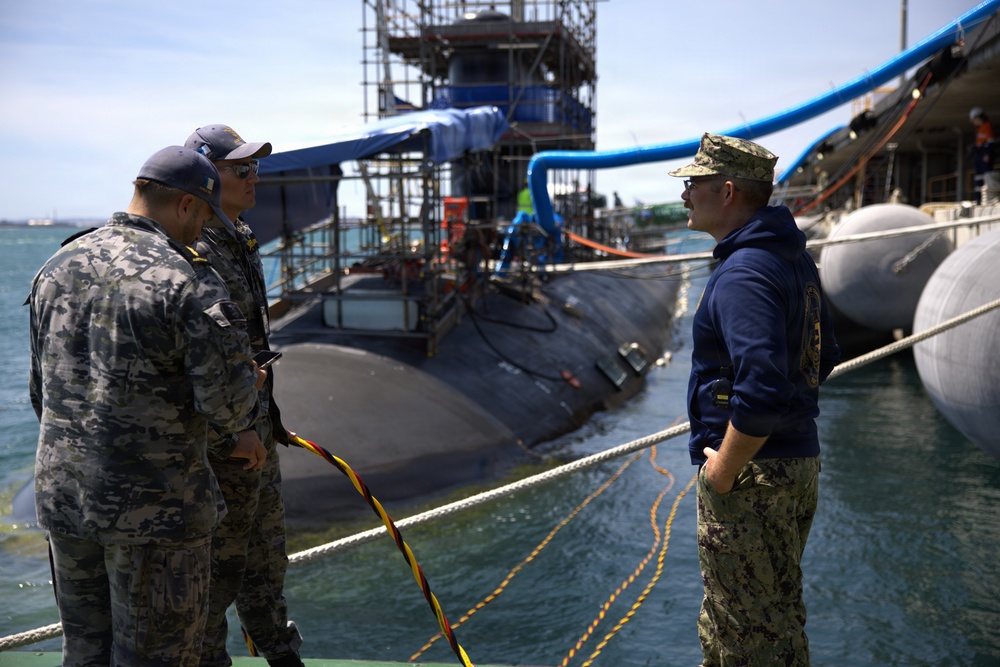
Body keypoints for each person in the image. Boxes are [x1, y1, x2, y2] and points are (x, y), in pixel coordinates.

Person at [29, 146, 265, 666]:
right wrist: (250, 378)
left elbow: (40, 395)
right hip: (157, 513)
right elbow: (228, 409)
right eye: (203, 216)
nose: (202, 231)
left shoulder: (58, 266)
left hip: (66, 501)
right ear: (185, 204)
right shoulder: (189, 279)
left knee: (83, 652)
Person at [669, 133, 840, 667]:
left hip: (751, 476)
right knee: (766, 620)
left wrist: (723, 470)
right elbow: (824, 356)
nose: (684, 195)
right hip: (796, 463)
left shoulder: (743, 272)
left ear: (726, 192)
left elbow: (762, 389)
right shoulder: (791, 259)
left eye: (693, 183)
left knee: (748, 638)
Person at [184, 124, 304, 667]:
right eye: (241, 169)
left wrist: (264, 418)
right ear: (206, 176)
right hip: (224, 438)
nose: (254, 177)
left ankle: (279, 649)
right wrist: (229, 432)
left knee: (267, 553)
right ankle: (210, 657)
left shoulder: (241, 235)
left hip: (256, 421)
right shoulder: (193, 246)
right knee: (218, 568)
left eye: (255, 167)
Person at [969, 106, 995, 201]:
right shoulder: (979, 129)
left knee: (987, 175)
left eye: (973, 119)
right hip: (980, 153)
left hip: (985, 152)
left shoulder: (987, 126)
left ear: (978, 117)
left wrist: (987, 153)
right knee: (978, 176)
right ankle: (978, 198)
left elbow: (990, 141)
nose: (973, 122)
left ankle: (989, 197)